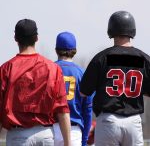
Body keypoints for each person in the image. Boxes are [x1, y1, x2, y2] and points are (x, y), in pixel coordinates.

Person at [80, 11, 150, 146]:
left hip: (108, 121)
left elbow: (84, 91)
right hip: (133, 122)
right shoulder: (145, 60)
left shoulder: (102, 58)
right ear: (132, 30)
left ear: (111, 30)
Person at [0, 19, 71, 146]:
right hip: (45, 135)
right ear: (37, 38)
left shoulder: (6, 68)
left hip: (18, 135)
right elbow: (62, 109)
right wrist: (68, 142)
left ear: (16, 38)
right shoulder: (52, 68)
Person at [54, 32, 93, 146]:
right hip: (74, 131)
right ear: (74, 50)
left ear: (56, 49)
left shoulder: (49, 69)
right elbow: (88, 111)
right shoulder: (82, 73)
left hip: (51, 129)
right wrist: (85, 140)